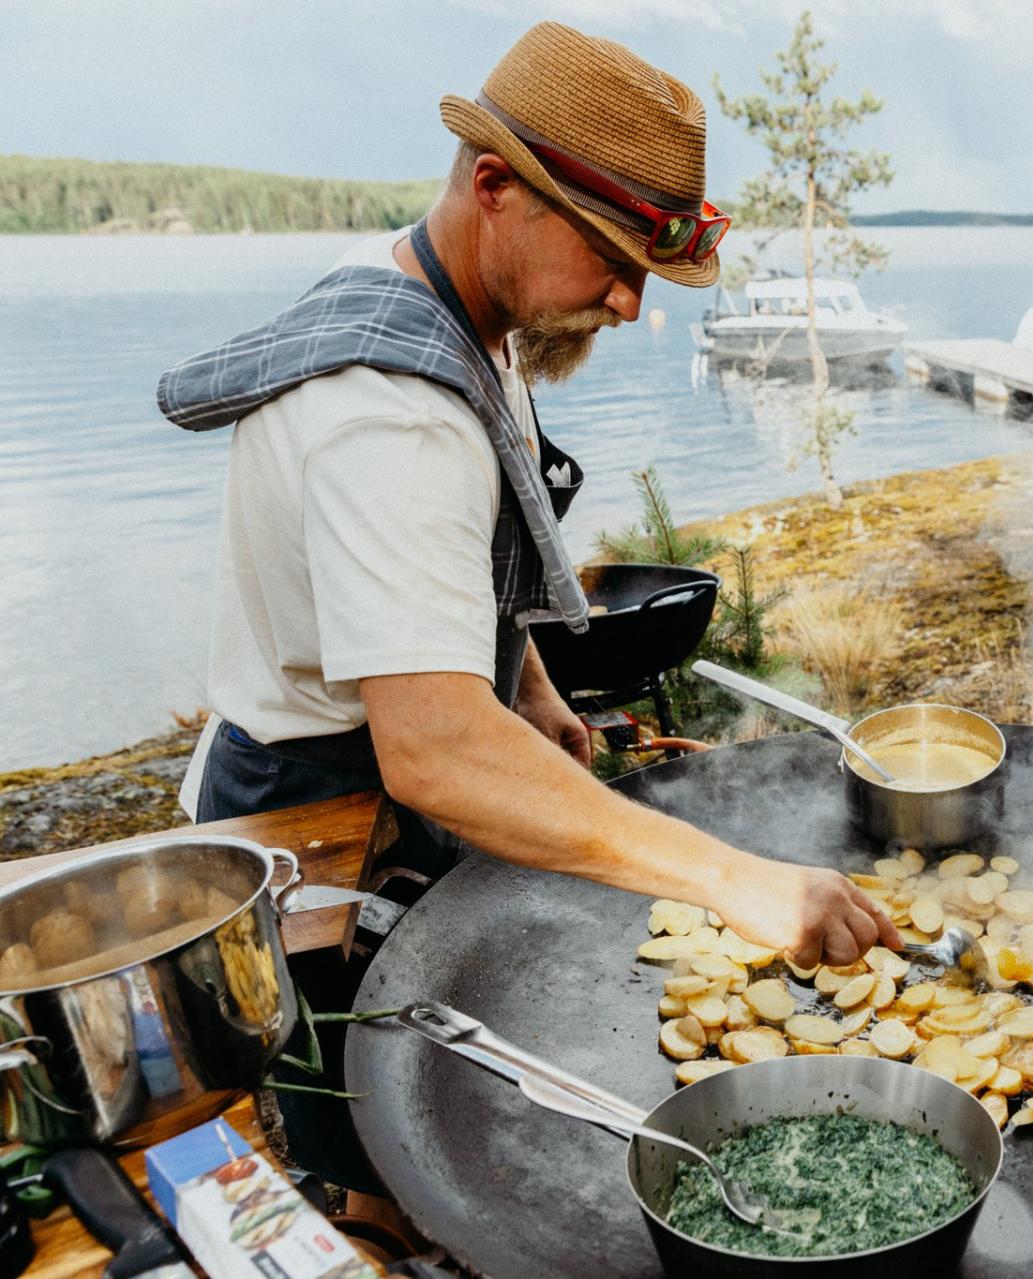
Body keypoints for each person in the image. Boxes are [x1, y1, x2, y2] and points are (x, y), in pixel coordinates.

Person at [159, 19, 896, 1079]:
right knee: (377, 1127)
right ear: (495, 185)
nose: (632, 304)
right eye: (608, 257)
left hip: (394, 760)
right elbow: (437, 749)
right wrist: (742, 882)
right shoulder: (390, 423)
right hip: (321, 814)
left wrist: (530, 681)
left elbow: (452, 561)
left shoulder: (443, 295)